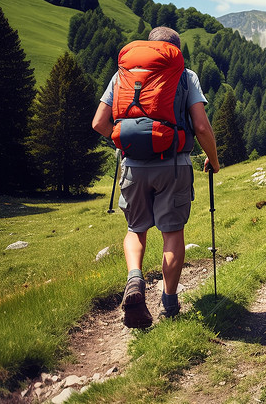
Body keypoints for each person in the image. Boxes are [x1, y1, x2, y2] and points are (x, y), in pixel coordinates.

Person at [92, 27, 220, 328]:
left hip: (133, 166)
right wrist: (213, 161)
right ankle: (170, 303)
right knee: (172, 233)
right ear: (176, 51)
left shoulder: (122, 75)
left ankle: (135, 279)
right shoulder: (185, 75)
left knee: (136, 229)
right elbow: (201, 126)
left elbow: (99, 122)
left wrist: (126, 142)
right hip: (173, 164)